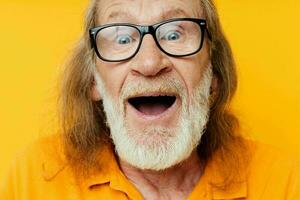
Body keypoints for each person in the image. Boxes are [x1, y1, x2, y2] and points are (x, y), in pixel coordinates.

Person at [1, 0, 299, 199]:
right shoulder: (34, 180)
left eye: (174, 34)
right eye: (121, 38)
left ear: (215, 76)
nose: (149, 63)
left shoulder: (284, 182)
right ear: (93, 79)